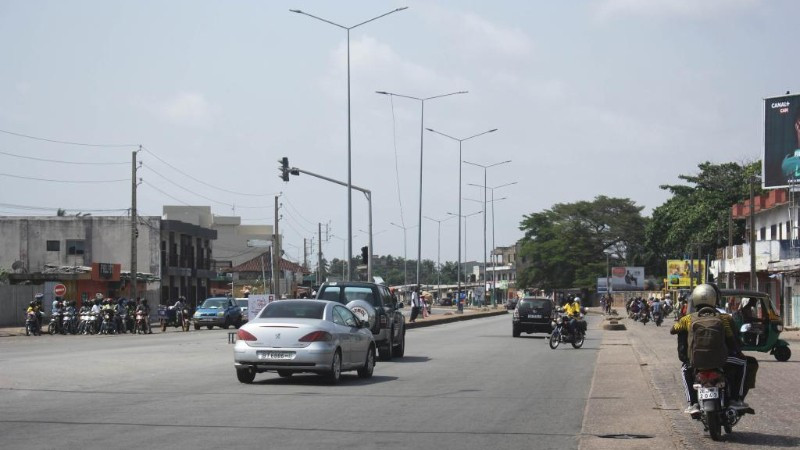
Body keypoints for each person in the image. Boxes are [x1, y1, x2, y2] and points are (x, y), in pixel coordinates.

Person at [670, 284, 748, 415]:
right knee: (743, 363)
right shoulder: (724, 318)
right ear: (714, 299)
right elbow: (732, 340)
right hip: (723, 359)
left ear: (695, 299)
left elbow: (673, 330)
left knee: (684, 370)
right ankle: (736, 399)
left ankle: (693, 403)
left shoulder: (687, 319)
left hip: (696, 361)